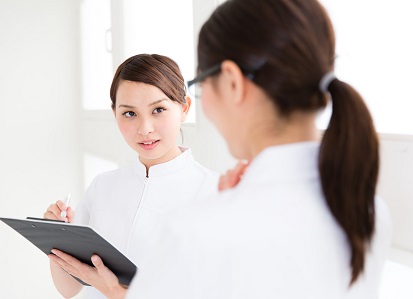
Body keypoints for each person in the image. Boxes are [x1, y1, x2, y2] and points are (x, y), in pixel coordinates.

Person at [124, 0, 394, 298]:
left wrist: (219, 214)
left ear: (232, 82)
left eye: (200, 84)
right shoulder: (368, 212)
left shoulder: (193, 234)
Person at [43, 54, 219, 299]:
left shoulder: (214, 193)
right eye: (129, 113)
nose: (145, 128)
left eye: (158, 109)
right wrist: (58, 236)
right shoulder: (102, 186)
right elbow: (69, 289)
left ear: (184, 108)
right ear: (114, 113)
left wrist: (117, 292)